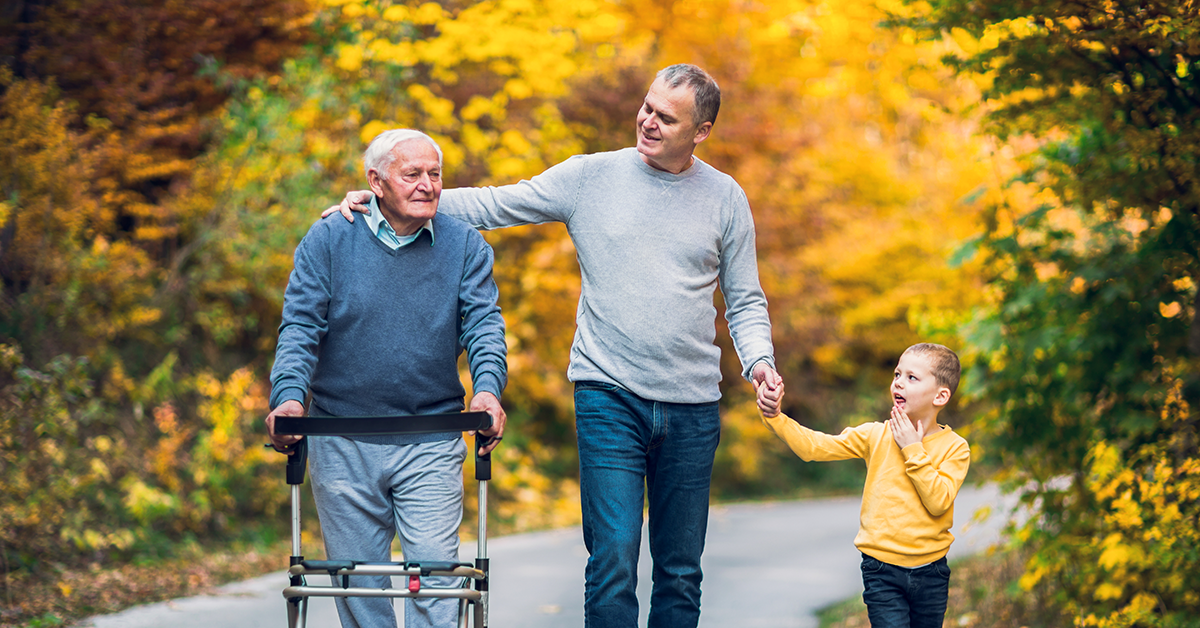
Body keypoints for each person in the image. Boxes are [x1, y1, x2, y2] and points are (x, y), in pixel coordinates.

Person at [327, 64, 782, 628]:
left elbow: (744, 298)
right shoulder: (591, 177)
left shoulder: (725, 197)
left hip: (692, 405)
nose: (648, 121)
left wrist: (759, 360)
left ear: (702, 130)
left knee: (680, 569)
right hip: (608, 394)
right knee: (613, 557)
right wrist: (392, 201)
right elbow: (498, 204)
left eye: (667, 117)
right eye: (647, 106)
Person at [266, 129, 508, 628]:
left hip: (432, 437)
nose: (428, 185)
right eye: (412, 174)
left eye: (435, 174)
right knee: (358, 586)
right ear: (375, 182)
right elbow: (300, 326)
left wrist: (487, 389)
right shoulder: (330, 239)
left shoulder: (465, 245)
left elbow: (484, 326)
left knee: (437, 582)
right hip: (341, 437)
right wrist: (288, 398)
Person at [755, 343, 970, 628]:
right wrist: (775, 418)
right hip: (881, 569)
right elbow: (815, 447)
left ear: (940, 396)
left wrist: (912, 449)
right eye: (897, 374)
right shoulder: (875, 435)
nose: (898, 383)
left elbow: (938, 501)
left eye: (911, 378)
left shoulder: (955, 448)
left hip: (930, 573)